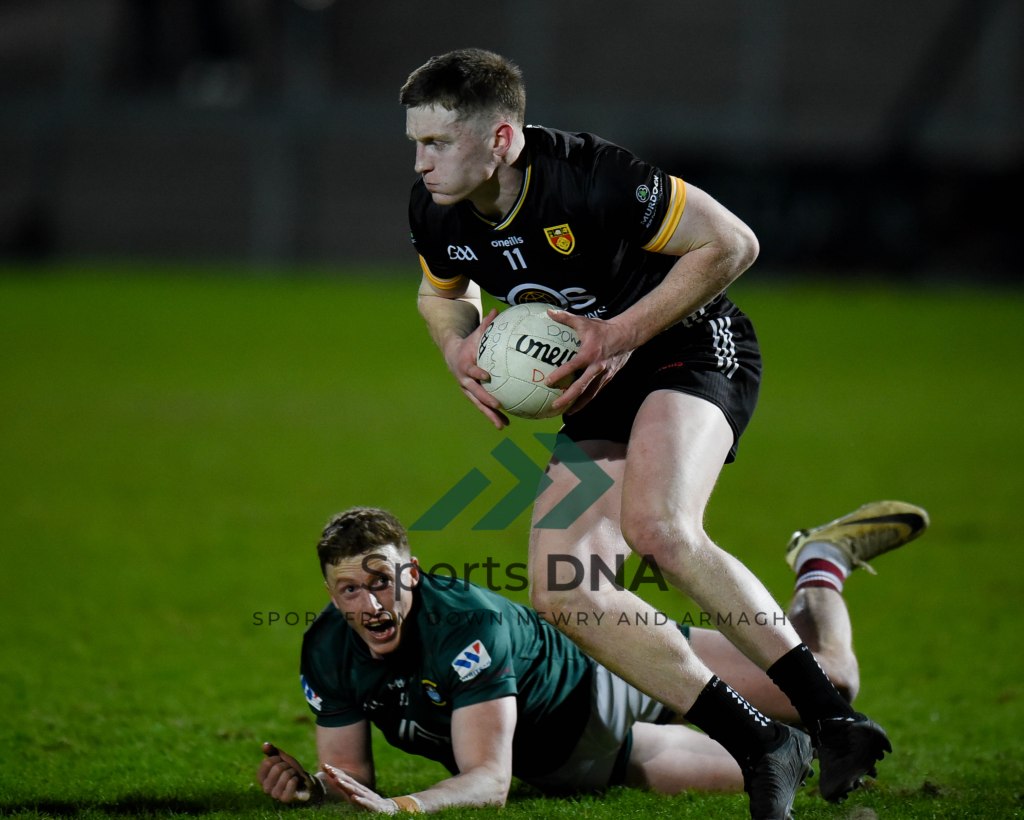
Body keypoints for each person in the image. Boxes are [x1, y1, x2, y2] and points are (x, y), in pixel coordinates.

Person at [399, 47, 917, 818]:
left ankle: (835, 723)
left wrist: (617, 334)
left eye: (438, 142)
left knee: (659, 528)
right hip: (599, 383)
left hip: (690, 345)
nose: (421, 161)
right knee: (563, 589)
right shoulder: (435, 209)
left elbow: (732, 243)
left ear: (501, 138)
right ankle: (763, 740)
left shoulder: (592, 176)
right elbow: (441, 292)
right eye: (416, 141)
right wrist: (457, 348)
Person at [258, 502, 928, 815]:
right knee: (786, 761)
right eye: (350, 590)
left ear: (412, 574)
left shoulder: (466, 626)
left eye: (383, 581)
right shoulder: (327, 649)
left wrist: (403, 808)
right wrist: (315, 788)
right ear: (331, 594)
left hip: (607, 669)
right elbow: (351, 777)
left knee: (831, 683)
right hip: (579, 764)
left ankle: (820, 560)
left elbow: (489, 781)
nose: (371, 604)